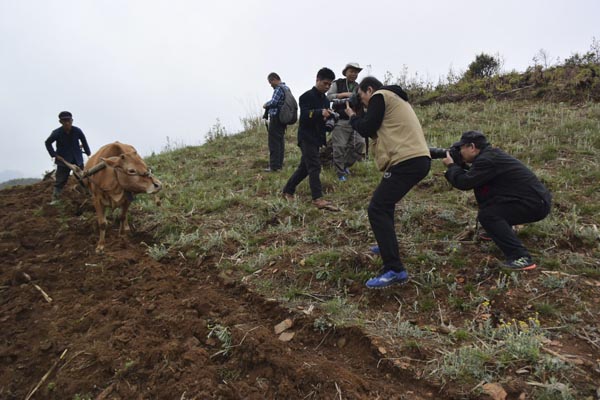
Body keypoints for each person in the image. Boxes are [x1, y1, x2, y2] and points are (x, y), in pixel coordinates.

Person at [345, 77, 431, 289]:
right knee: (385, 205)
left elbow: (366, 128)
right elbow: (374, 130)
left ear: (370, 89)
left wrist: (352, 117)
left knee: (377, 208)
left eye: (361, 95)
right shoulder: (395, 100)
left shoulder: (380, 96)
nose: (363, 101)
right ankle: (386, 247)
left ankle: (394, 269)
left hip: (407, 160)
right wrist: (360, 115)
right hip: (416, 159)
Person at [442, 130, 551, 270]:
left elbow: (464, 183)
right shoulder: (489, 156)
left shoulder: (487, 160)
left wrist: (452, 166)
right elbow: (474, 177)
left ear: (472, 147)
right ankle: (497, 231)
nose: (459, 152)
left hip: (534, 204)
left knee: (488, 216)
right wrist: (460, 165)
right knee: (492, 212)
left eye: (461, 148)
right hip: (533, 200)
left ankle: (521, 257)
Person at [283, 67, 338, 210]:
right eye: (325, 83)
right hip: (306, 137)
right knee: (314, 166)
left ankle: (288, 190)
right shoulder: (305, 96)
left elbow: (323, 121)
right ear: (317, 80)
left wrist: (329, 119)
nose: (327, 87)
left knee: (304, 168)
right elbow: (305, 117)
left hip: (318, 138)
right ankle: (317, 198)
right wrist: (320, 113)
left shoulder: (326, 100)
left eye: (329, 84)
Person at [327, 62, 366, 181]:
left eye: (356, 72)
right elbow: (329, 96)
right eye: (352, 71)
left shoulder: (359, 87)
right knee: (339, 147)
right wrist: (344, 95)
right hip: (340, 120)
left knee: (359, 144)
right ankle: (340, 173)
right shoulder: (337, 83)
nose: (354, 74)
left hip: (356, 120)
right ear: (346, 72)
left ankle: (345, 166)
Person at [44, 111, 91, 204]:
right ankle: (55, 199)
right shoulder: (57, 133)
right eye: (64, 121)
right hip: (63, 161)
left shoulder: (77, 131)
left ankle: (88, 194)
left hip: (77, 159)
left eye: (68, 120)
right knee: (60, 181)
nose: (67, 123)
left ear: (72, 121)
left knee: (83, 178)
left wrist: (88, 153)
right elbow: (47, 143)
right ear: (60, 122)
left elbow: (84, 141)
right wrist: (54, 155)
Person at [263, 72, 289, 172]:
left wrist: (266, 105)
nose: (270, 85)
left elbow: (274, 102)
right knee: (280, 141)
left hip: (276, 118)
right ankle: (279, 165)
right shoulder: (286, 88)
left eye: (270, 82)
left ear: (274, 79)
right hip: (283, 118)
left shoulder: (279, 88)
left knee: (273, 142)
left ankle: (274, 166)